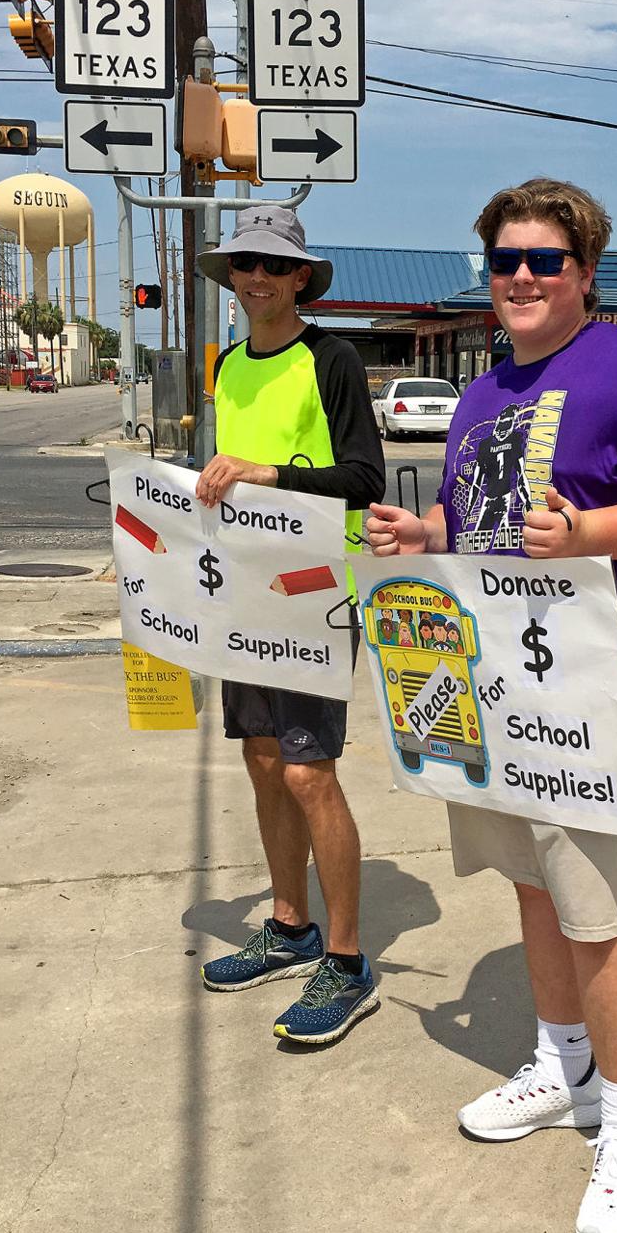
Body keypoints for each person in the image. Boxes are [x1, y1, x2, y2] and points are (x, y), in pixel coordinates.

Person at [368, 178, 617, 1233]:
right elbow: (485, 514)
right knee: (535, 883)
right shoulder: (486, 392)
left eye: (544, 259)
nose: (521, 276)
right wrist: (424, 530)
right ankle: (563, 1061)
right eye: (504, 260)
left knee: (608, 912)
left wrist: (592, 534)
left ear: (584, 273)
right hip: (504, 687)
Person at [195, 207, 385, 1046]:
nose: (258, 278)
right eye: (244, 264)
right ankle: (288, 924)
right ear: (231, 276)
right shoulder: (229, 365)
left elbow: (364, 477)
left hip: (312, 588)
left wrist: (269, 473)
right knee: (263, 759)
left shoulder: (332, 359)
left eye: (274, 265)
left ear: (301, 276)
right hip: (243, 587)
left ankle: (344, 961)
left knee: (312, 773)